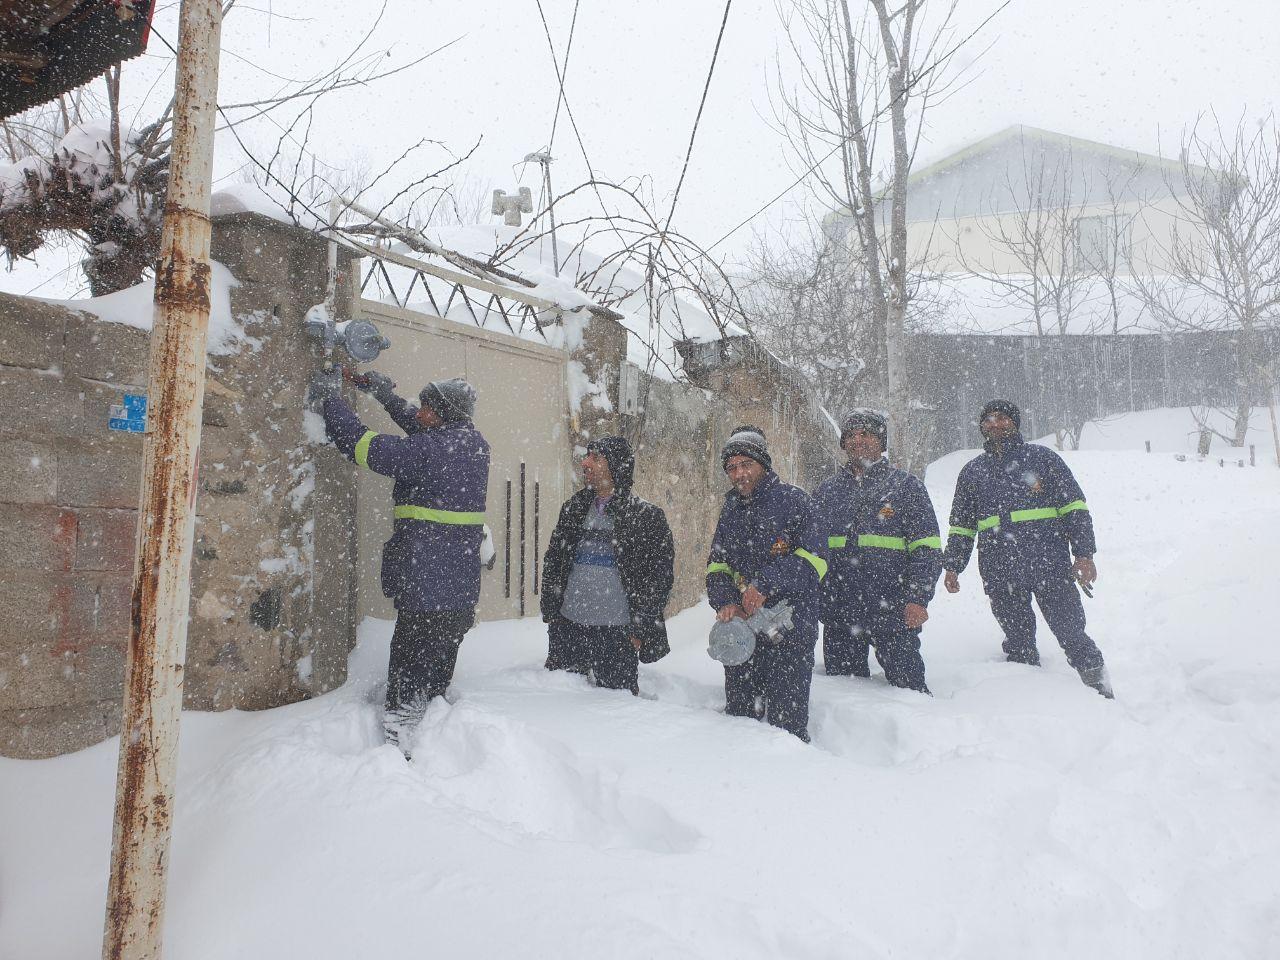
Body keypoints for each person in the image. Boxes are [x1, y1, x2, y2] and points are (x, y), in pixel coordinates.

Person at [310, 367, 491, 746]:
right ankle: (438, 729)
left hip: (428, 586)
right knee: (437, 668)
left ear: (443, 413)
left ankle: (400, 741)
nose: (419, 412)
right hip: (456, 589)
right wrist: (382, 392)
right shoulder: (471, 443)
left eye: (427, 406)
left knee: (409, 669)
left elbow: (362, 446)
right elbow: (421, 426)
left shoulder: (429, 450)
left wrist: (331, 401)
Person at [942, 399, 1113, 698]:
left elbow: (1074, 509)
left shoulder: (1043, 459)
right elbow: (962, 526)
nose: (995, 424)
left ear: (1015, 423)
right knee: (1019, 643)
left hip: (1049, 566)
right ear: (982, 426)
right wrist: (953, 565)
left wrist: (1084, 554)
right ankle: (1031, 706)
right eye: (989, 419)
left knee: (1072, 634)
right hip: (1000, 572)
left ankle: (1101, 691)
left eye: (1002, 418)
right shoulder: (972, 472)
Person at [706, 426, 827, 741]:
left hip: (790, 635)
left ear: (763, 463)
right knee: (740, 722)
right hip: (743, 637)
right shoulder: (731, 508)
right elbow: (717, 564)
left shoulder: (794, 501)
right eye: (732, 468)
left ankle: (789, 784)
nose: (739, 474)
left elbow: (816, 560)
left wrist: (765, 584)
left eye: (746, 464)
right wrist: (726, 601)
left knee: (787, 728)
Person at [812, 410, 941, 694]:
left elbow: (927, 548)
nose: (858, 441)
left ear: (881, 442)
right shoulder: (827, 491)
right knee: (845, 696)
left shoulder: (906, 487)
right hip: (840, 614)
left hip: (894, 611)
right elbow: (813, 551)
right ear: (843, 444)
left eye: (866, 434)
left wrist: (918, 598)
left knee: (910, 694)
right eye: (851, 436)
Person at [539, 436, 675, 694]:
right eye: (587, 456)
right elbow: (554, 563)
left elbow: (659, 578)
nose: (585, 462)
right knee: (560, 705)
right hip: (569, 630)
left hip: (617, 635)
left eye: (596, 457)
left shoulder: (646, 517)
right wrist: (552, 616)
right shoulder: (574, 508)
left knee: (616, 715)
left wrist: (640, 628)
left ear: (616, 467)